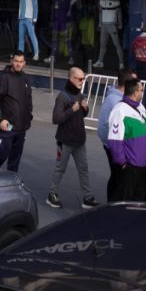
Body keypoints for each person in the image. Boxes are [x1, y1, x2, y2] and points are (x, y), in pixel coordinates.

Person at [48, 67, 98, 209]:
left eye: (83, 79)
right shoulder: (62, 97)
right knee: (60, 168)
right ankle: (52, 195)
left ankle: (87, 197)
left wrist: (85, 109)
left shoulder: (80, 95)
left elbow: (81, 116)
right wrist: (72, 110)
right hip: (65, 141)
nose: (82, 81)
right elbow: (56, 119)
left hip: (79, 140)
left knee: (84, 169)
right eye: (80, 79)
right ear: (71, 78)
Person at [105, 78, 146, 203]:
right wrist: (123, 163)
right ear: (135, 92)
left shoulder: (141, 107)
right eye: (142, 90)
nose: (143, 93)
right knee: (122, 200)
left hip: (144, 166)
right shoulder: (119, 110)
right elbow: (115, 141)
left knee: (140, 200)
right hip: (131, 168)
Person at [0, 51, 34, 170]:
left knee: (15, 159)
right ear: (11, 62)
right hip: (7, 127)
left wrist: (29, 117)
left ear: (24, 63)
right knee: (1, 154)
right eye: (16, 61)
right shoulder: (4, 78)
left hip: (21, 127)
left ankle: (11, 183)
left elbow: (28, 99)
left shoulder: (25, 78)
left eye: (21, 62)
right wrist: (1, 119)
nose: (18, 64)